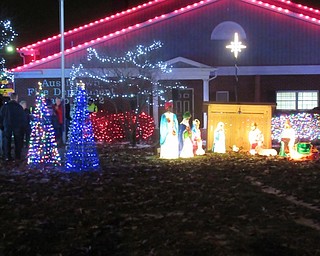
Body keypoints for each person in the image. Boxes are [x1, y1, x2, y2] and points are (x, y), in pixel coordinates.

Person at [0, 93, 27, 161]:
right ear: (16, 98)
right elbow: (23, 118)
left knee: (6, 141)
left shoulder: (5, 107)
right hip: (17, 126)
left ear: (10, 98)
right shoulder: (19, 107)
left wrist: (2, 126)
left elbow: (1, 117)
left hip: (7, 126)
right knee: (18, 141)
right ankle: (17, 156)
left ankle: (7, 156)